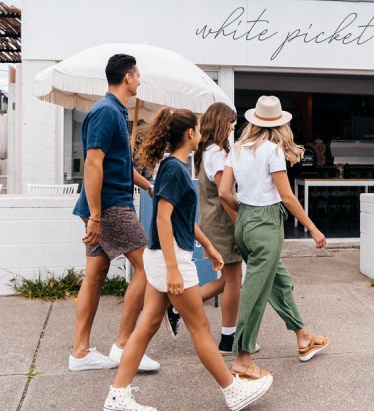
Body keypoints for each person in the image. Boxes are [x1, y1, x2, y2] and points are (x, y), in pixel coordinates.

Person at [103, 108, 272, 411]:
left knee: (146, 327)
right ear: (189, 134)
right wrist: (173, 269)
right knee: (200, 330)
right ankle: (232, 390)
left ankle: (118, 395)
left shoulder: (178, 167)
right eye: (197, 128)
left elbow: (182, 217)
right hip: (172, 259)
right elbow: (163, 220)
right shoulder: (173, 169)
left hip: (167, 257)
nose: (201, 132)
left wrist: (208, 245)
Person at [219, 95, 330, 380]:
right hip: (266, 224)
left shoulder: (238, 149)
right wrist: (313, 228)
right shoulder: (272, 151)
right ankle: (242, 360)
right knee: (254, 293)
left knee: (279, 282)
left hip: (244, 221)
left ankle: (303, 337)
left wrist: (243, 213)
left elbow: (223, 193)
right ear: (280, 125)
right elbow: (287, 197)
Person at [69, 54, 160, 373]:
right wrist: (96, 215)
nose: (140, 80)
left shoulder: (113, 112)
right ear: (127, 78)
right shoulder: (107, 112)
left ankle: (80, 353)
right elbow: (93, 163)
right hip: (109, 206)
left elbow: (118, 164)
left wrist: (148, 185)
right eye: (138, 75)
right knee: (147, 268)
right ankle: (124, 346)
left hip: (104, 205)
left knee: (94, 275)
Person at [168, 102, 247, 353]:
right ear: (221, 123)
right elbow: (225, 195)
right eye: (231, 122)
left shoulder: (206, 153)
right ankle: (228, 339)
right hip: (223, 224)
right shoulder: (218, 156)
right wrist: (240, 224)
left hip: (211, 222)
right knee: (234, 281)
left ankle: (177, 306)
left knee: (229, 280)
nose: (233, 127)